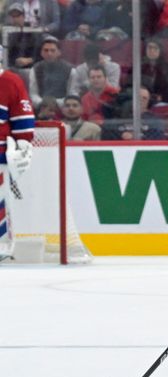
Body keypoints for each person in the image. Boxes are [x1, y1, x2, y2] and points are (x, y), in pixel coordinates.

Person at [0, 54, 35, 262]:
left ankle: (2, 243)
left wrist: (23, 143)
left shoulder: (10, 81)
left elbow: (23, 119)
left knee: (0, 202)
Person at [27, 37, 80, 108]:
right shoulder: (35, 70)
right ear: (41, 53)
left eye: (53, 50)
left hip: (64, 108)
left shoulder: (70, 70)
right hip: (41, 108)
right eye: (46, 50)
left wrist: (56, 103)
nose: (49, 53)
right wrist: (43, 103)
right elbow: (33, 94)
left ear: (59, 52)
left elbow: (72, 94)